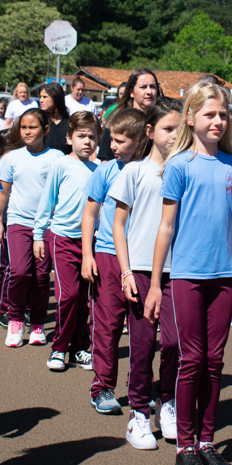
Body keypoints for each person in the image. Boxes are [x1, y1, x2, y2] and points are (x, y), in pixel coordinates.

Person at [145, 83, 232, 465]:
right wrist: (153, 284)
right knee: (191, 360)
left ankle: (207, 442)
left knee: (214, 362)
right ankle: (184, 447)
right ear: (191, 118)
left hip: (224, 277)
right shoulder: (179, 165)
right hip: (185, 276)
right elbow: (165, 228)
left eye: (223, 115)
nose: (218, 121)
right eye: (209, 114)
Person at [110, 98, 183, 448]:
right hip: (138, 271)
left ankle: (166, 402)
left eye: (179, 129)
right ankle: (138, 412)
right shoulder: (134, 171)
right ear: (151, 131)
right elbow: (118, 225)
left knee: (174, 343)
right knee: (142, 346)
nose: (174, 136)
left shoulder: (186, 169)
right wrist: (125, 272)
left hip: (178, 271)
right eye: (168, 128)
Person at [81, 108, 145, 416]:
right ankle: (102, 387)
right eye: (112, 139)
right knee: (106, 325)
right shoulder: (105, 171)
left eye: (120, 141)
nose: (113, 146)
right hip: (106, 254)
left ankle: (140, 389)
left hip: (142, 256)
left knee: (141, 325)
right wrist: (87, 254)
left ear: (139, 139)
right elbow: (90, 214)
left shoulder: (151, 170)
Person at [34, 111, 99, 372]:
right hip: (61, 237)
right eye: (81, 136)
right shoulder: (61, 164)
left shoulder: (99, 170)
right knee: (68, 296)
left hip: (90, 243)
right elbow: (47, 200)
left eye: (92, 136)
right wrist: (39, 234)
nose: (87, 141)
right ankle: (59, 348)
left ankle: (80, 347)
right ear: (69, 137)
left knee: (84, 297)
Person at [0, 109, 64, 347]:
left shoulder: (57, 158)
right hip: (17, 223)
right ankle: (15, 319)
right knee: (20, 272)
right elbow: (2, 193)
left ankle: (37, 324)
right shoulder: (11, 158)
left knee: (40, 276)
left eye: (32, 127)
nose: (27, 131)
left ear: (45, 130)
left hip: (46, 226)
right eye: (23, 127)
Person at [98, 69, 159, 160]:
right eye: (143, 87)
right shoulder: (116, 120)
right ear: (131, 92)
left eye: (153, 87)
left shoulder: (160, 121)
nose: (149, 91)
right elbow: (105, 160)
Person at [38, 83, 71, 153]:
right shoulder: (39, 121)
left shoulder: (69, 123)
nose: (40, 100)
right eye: (40, 97)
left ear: (56, 98)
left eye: (44, 97)